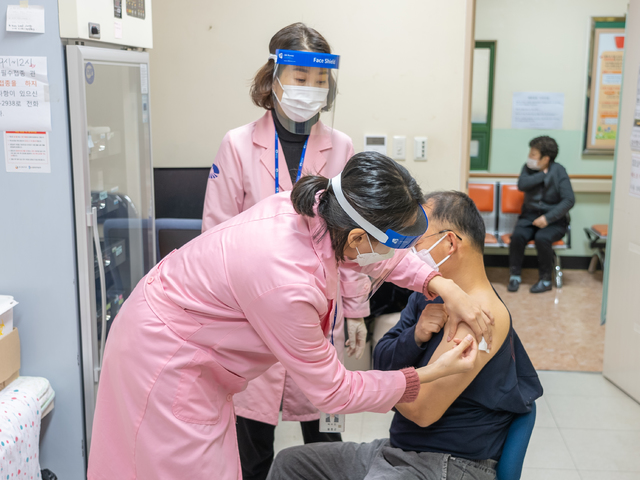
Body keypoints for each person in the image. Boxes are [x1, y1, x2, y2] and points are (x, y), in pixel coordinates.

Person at [87, 153, 493, 480]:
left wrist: (441, 285)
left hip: (188, 338)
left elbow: (380, 256)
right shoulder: (286, 279)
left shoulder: (321, 208)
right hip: (163, 358)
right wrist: (428, 374)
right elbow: (334, 392)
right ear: (355, 237)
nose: (397, 257)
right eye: (393, 245)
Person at [267, 191, 542, 480]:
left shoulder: (482, 315)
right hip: (398, 451)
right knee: (291, 463)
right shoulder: (426, 295)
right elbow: (382, 357)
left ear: (449, 243)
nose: (408, 252)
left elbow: (422, 410)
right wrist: (416, 336)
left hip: (447, 462)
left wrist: (368, 385)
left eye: (416, 240)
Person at [201, 24, 371, 479]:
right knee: (250, 448)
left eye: (320, 81)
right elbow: (215, 236)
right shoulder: (237, 144)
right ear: (273, 76)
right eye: (299, 76)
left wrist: (355, 310)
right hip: (249, 317)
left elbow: (349, 240)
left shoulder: (342, 147)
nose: (310, 90)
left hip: (316, 315)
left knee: (327, 441)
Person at [508, 136, 575, 293]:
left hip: (554, 220)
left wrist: (548, 218)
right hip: (529, 216)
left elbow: (569, 200)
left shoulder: (559, 171)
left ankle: (545, 280)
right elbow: (522, 184)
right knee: (517, 236)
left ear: (545, 158)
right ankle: (514, 276)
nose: (529, 158)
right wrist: (542, 175)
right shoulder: (527, 168)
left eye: (533, 155)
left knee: (542, 238)